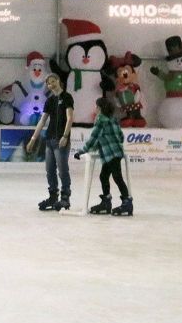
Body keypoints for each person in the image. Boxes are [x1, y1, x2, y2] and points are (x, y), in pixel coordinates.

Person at [75, 97, 132, 216]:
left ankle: (127, 202)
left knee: (117, 177)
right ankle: (106, 201)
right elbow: (121, 137)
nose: (95, 108)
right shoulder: (113, 119)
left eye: (96, 106)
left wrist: (81, 151)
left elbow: (93, 139)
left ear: (99, 108)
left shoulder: (101, 120)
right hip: (115, 152)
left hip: (110, 154)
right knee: (103, 176)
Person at [27, 74, 74, 212]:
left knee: (63, 169)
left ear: (58, 81)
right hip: (49, 140)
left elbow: (70, 117)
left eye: (53, 81)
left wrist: (65, 136)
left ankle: (65, 197)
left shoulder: (67, 97)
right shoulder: (49, 101)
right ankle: (53, 196)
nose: (51, 84)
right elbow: (42, 121)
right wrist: (33, 139)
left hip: (61, 140)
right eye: (48, 83)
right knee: (50, 170)